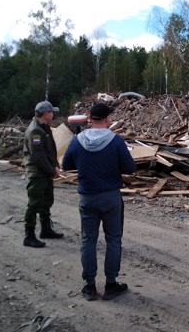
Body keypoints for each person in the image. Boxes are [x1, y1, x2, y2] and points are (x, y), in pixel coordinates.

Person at [62, 102, 136, 300]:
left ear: (89, 117)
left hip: (88, 197)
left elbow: (66, 164)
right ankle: (110, 285)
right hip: (110, 197)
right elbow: (130, 168)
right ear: (107, 119)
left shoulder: (78, 140)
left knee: (88, 240)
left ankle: (90, 286)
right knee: (113, 239)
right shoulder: (116, 141)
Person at [22, 101, 64, 248]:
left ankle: (46, 229)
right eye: (52, 112)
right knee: (34, 204)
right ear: (46, 114)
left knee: (46, 201)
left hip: (45, 172)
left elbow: (50, 151)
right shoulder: (35, 131)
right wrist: (51, 171)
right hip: (37, 173)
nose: (53, 114)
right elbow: (38, 156)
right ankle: (29, 236)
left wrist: (56, 166)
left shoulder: (44, 127)